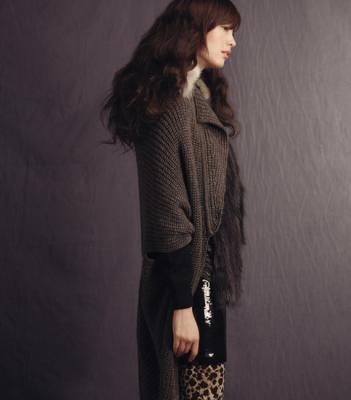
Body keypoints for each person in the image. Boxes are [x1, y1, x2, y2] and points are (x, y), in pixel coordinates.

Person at [100, 1, 246, 398]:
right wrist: (183, 306)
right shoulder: (170, 106)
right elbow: (168, 213)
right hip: (184, 287)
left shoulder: (195, 98)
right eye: (225, 28)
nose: (233, 40)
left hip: (203, 280)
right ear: (195, 28)